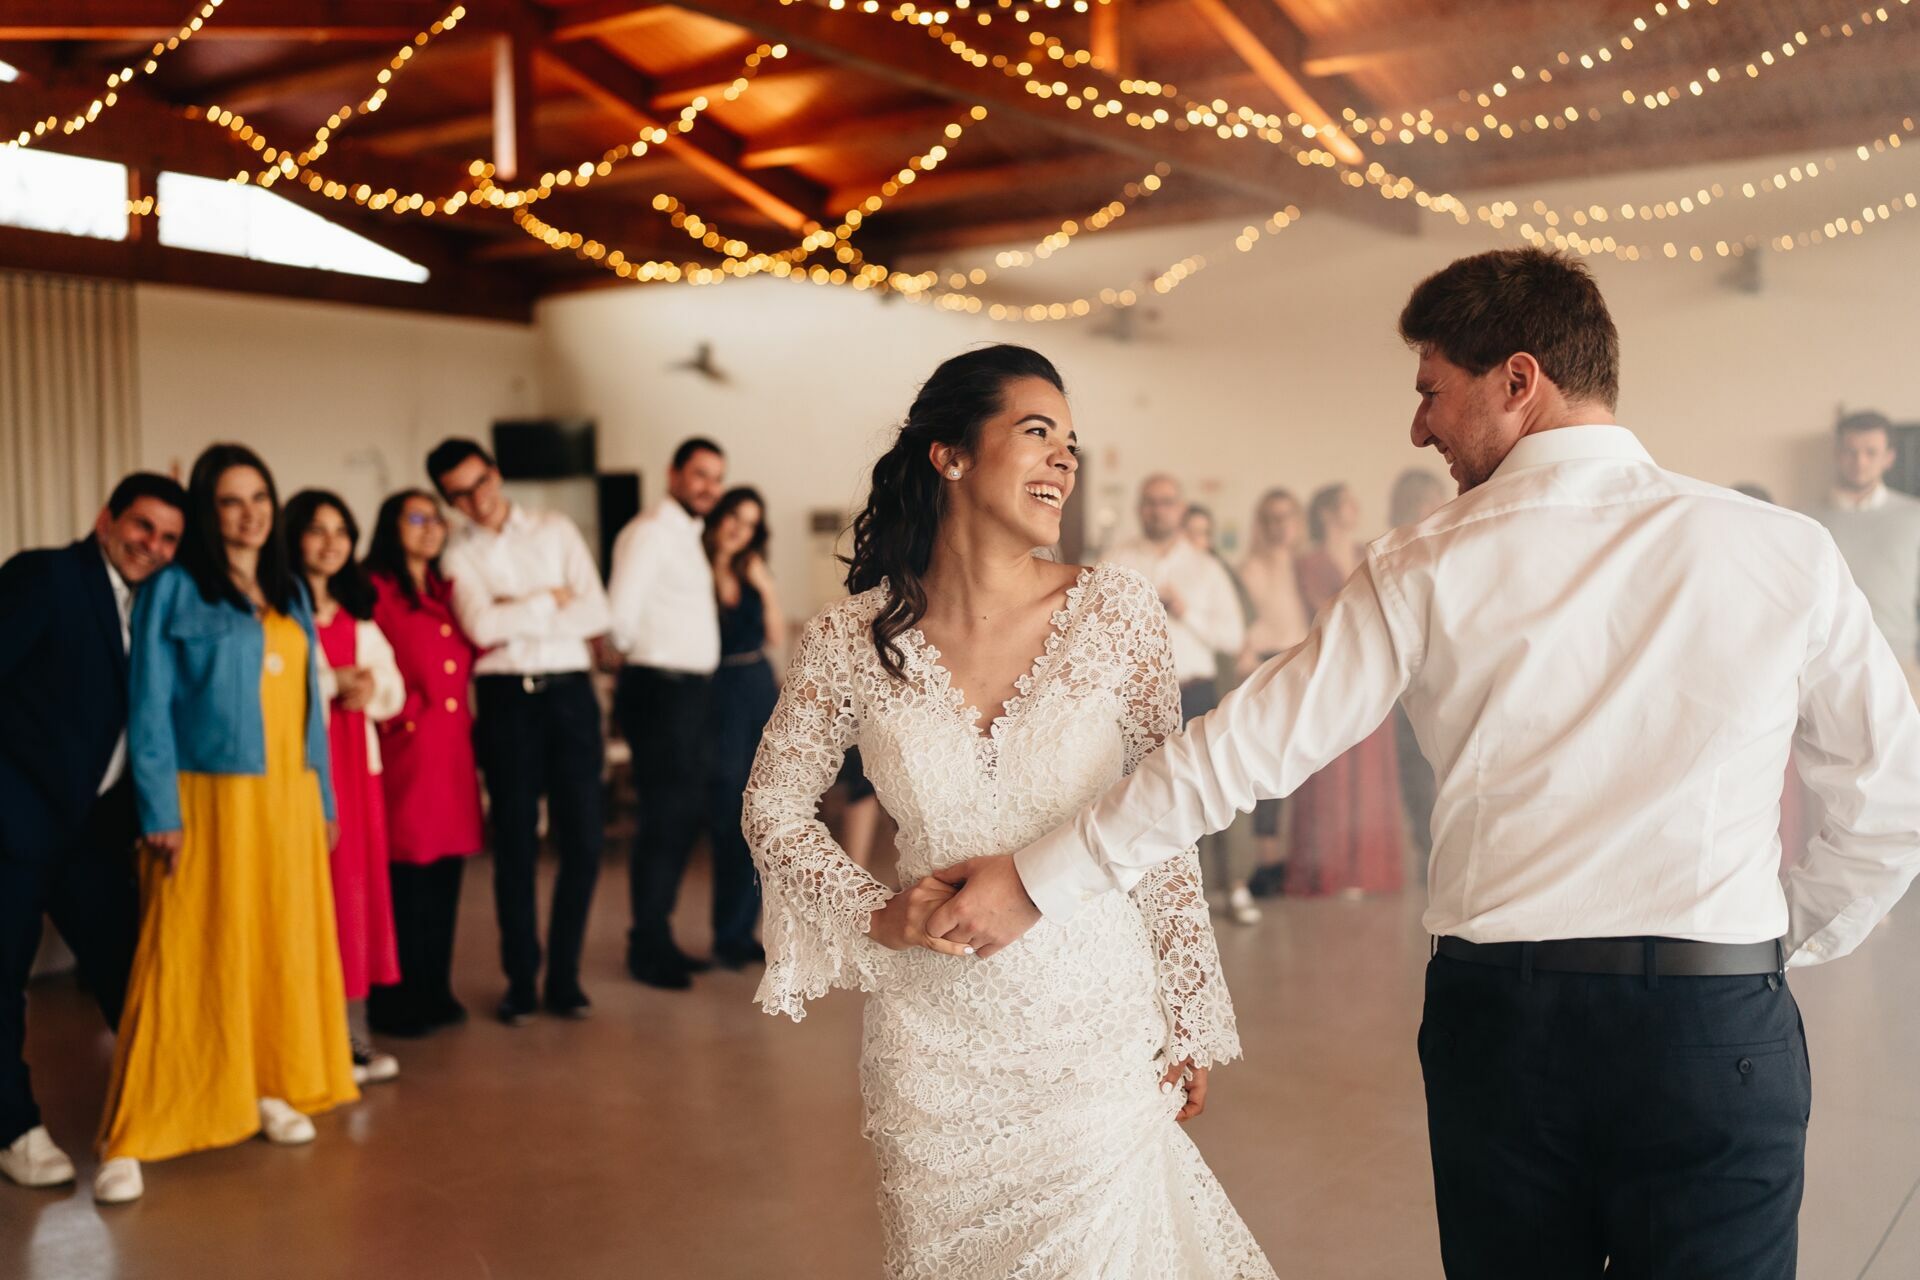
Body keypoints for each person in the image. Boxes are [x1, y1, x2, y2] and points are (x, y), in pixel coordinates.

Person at [926, 249, 1920, 1280]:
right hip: (1718, 1024)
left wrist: (1035, 880)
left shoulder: (1426, 560)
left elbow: (1241, 749)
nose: (1418, 428)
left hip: (1508, 1028)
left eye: (1432, 392)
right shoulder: (1781, 548)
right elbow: (1892, 800)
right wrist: (1763, 942)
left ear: (1518, 379)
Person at [744, 345, 1271, 1277]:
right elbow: (774, 803)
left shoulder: (1118, 615)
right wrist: (874, 911)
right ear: (949, 455)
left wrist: (1188, 1011)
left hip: (1094, 1030)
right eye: (1037, 433)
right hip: (933, 1054)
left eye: (1071, 442)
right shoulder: (847, 641)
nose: (1065, 459)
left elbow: (1161, 819)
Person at [99, 443, 359, 1204]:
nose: (250, 514)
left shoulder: (287, 591)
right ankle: (134, 1131)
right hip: (205, 800)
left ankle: (266, 1086)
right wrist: (160, 811)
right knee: (185, 954)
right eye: (232, 501)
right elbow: (148, 707)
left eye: (260, 499)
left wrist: (324, 799)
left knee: (273, 943)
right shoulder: (176, 590)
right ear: (211, 512)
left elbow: (311, 708)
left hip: (285, 798)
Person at [0, 474, 184, 1191]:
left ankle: (154, 1104)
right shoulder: (44, 574)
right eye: (143, 527)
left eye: (168, 538)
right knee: (3, 979)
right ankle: (12, 1129)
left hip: (95, 829)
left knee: (125, 963)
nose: (153, 546)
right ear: (107, 518)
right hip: (15, 817)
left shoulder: (156, 603)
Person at [430, 438, 611, 1025]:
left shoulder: (555, 529)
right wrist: (548, 601)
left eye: (479, 482)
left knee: (583, 839)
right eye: (458, 492)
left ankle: (564, 977)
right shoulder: (455, 555)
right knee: (513, 843)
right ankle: (520, 980)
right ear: (448, 499)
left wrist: (518, 607)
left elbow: (596, 613)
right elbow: (480, 627)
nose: (475, 499)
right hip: (507, 701)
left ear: (496, 472)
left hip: (569, 695)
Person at [287, 490, 405, 1085]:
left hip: (355, 775)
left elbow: (394, 686)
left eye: (342, 530)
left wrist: (371, 689)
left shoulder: (358, 615)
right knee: (307, 897)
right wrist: (331, 683)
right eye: (317, 530)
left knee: (350, 897)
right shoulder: (279, 613)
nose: (331, 542)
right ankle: (302, 1039)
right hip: (302, 773)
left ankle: (346, 1033)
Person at [362, 490, 484, 1037]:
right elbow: (361, 657)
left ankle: (435, 987)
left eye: (437, 518)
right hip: (405, 754)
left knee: (444, 876)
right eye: (417, 517)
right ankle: (394, 998)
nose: (430, 527)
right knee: (404, 880)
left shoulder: (445, 590)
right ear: (392, 527)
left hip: (451, 755)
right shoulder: (374, 589)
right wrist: (406, 712)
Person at [605, 438, 726, 989]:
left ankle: (659, 937)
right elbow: (619, 619)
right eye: (700, 475)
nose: (709, 487)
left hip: (689, 692)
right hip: (660, 689)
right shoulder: (651, 531)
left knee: (678, 821)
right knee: (663, 820)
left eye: (716, 478)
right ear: (673, 473)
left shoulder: (687, 535)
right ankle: (646, 946)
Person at [1283, 484, 1405, 897]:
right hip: (1329, 672)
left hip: (1372, 669)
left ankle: (1368, 870)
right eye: (1348, 503)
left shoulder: (1368, 552)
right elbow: (1320, 610)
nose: (1356, 509)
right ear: (1330, 512)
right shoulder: (1308, 562)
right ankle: (1328, 872)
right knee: (1330, 770)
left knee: (1371, 773)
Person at [704, 487, 783, 970]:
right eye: (734, 516)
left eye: (750, 522)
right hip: (713, 692)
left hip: (755, 687)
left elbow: (775, 634)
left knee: (757, 812)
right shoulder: (692, 569)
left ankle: (741, 932)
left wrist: (765, 584)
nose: (739, 528)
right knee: (724, 817)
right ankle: (724, 931)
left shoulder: (751, 572)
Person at [1102, 475, 1245, 726]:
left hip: (1194, 694)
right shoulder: (1115, 560)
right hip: (1134, 695)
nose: (1158, 510)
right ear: (1138, 509)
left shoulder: (1207, 567)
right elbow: (1097, 627)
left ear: (1181, 509)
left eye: (1166, 502)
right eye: (1150, 502)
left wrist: (1186, 613)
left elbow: (1233, 639)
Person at [1183, 502, 1263, 925]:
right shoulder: (1171, 574)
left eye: (1203, 533)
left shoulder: (1219, 574)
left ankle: (1237, 885)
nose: (1198, 541)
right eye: (1190, 533)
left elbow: (1241, 637)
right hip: (1184, 693)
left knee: (1226, 787)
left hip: (1221, 693)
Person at [1809, 411, 1920, 697]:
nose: (1860, 462)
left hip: (1899, 664)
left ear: (1889, 458)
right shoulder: (1805, 519)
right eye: (1851, 451)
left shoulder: (1914, 516)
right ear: (1837, 454)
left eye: (1871, 452)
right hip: (1825, 668)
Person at [1236, 489, 1310, 898]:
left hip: (1304, 665)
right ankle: (1267, 861)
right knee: (1270, 766)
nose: (1280, 526)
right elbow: (1243, 627)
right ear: (1262, 524)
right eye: (1272, 518)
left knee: (1305, 766)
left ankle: (1298, 860)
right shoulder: (1251, 568)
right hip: (1267, 667)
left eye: (1287, 517)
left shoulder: (1306, 568)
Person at [1387, 468, 1450, 866]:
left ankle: (1436, 850)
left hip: (1440, 678)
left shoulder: (1449, 543)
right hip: (1402, 682)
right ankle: (1428, 850)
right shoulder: (1395, 551)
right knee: (1415, 776)